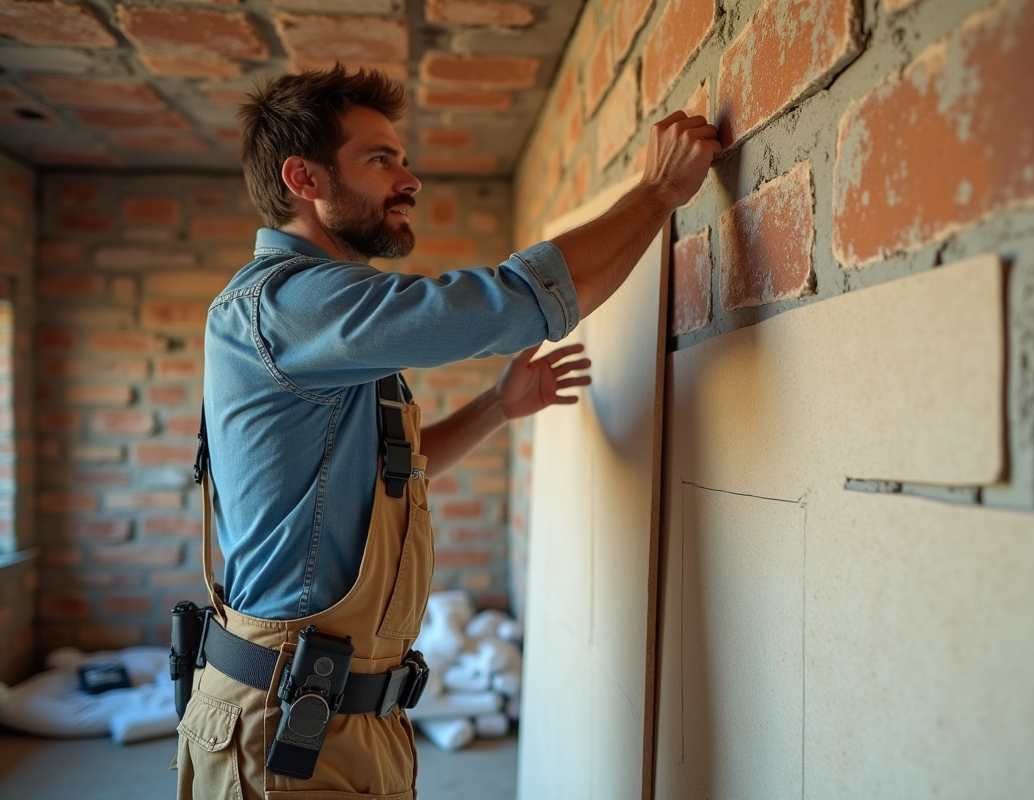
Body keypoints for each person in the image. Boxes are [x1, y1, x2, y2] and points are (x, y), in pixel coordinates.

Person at [176, 64, 720, 800]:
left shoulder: (310, 321)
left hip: (329, 717)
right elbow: (515, 302)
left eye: (401, 157)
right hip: (286, 730)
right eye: (380, 159)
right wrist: (658, 195)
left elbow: (374, 476)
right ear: (304, 178)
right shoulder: (291, 305)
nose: (410, 179)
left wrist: (497, 408)